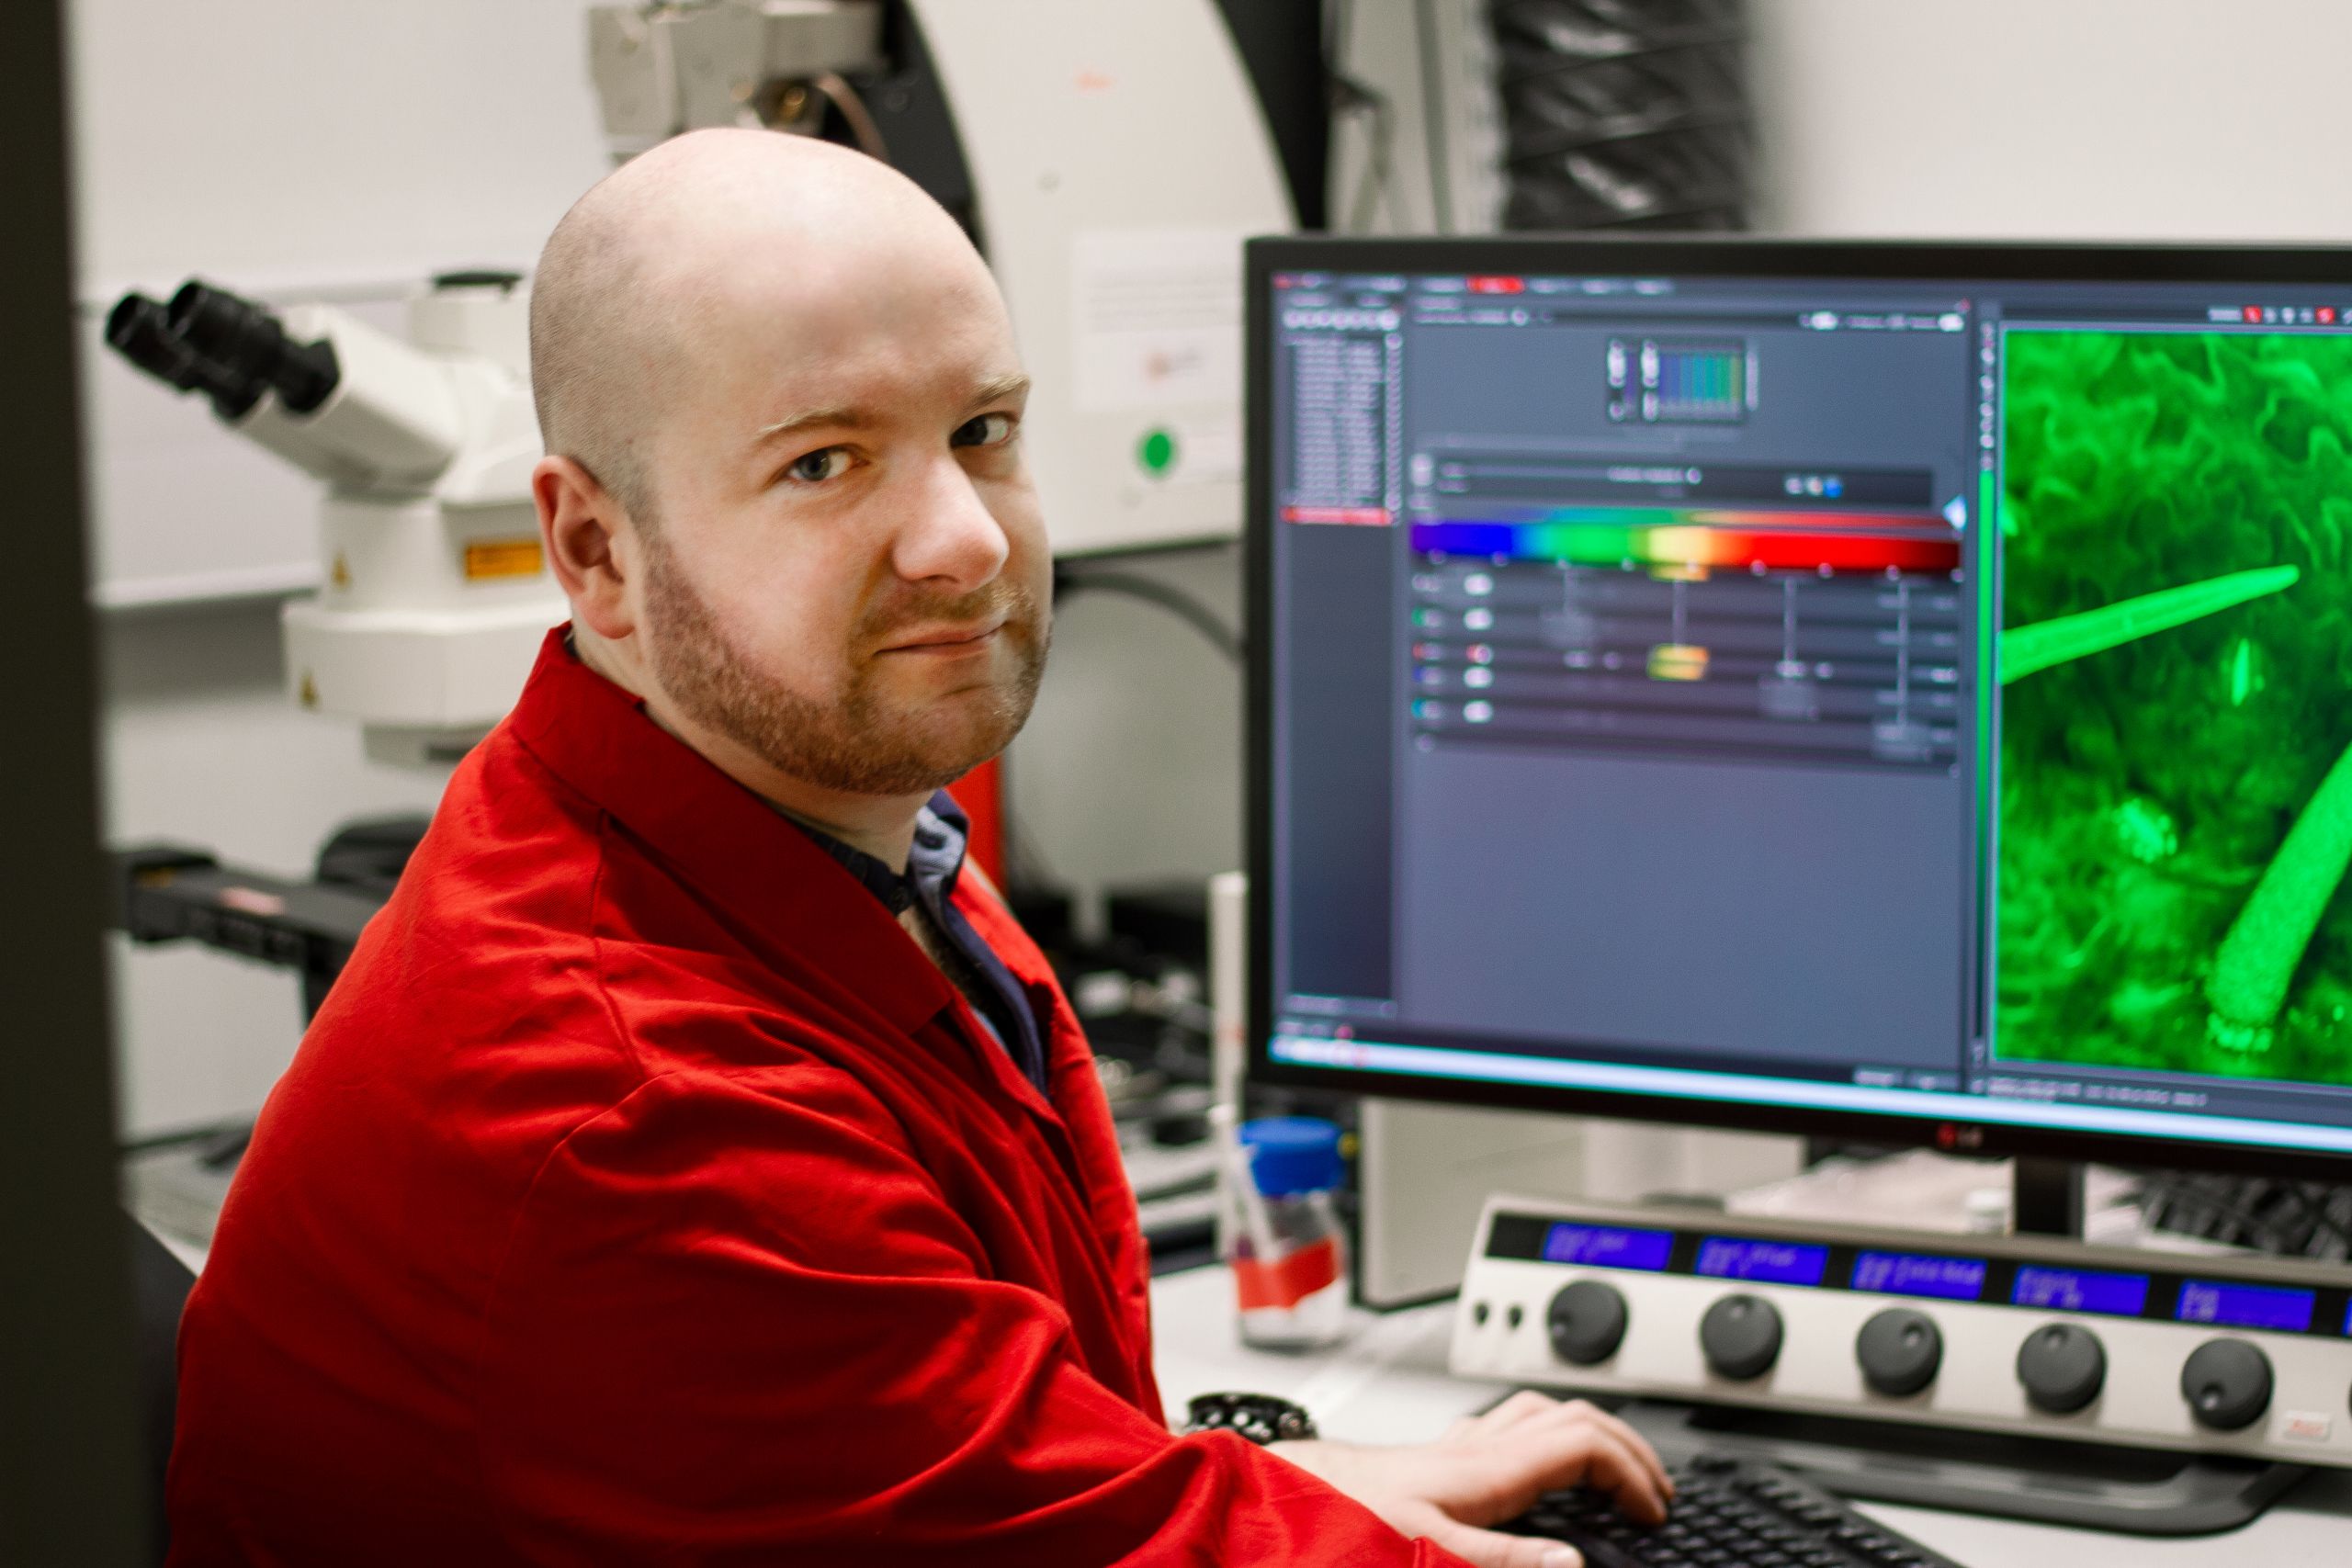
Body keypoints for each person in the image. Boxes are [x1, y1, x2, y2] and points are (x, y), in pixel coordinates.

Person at [164, 128, 1670, 1566]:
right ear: (597, 552)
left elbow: (965, 1479)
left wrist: (1269, 1486)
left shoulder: (836, 843)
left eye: (981, 431)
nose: (965, 538)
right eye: (824, 461)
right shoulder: (639, 1110)